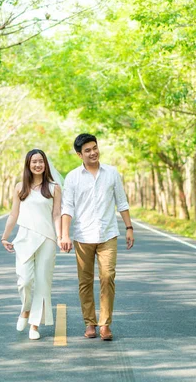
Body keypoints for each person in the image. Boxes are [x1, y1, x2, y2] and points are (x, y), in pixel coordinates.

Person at [60, 134, 134, 341]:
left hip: (108, 233)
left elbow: (122, 201)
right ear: (79, 154)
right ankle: (90, 322)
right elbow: (67, 208)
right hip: (83, 236)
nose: (93, 153)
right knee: (85, 281)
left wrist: (129, 227)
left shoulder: (111, 173)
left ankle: (105, 324)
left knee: (108, 277)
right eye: (87, 150)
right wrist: (65, 234)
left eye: (94, 148)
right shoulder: (73, 177)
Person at [0, 149, 62, 340]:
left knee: (43, 283)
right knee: (24, 280)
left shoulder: (53, 188)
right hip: (24, 238)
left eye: (41, 161)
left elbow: (57, 215)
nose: (37, 165)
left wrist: (61, 237)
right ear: (28, 164)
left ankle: (34, 325)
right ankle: (25, 309)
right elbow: (13, 214)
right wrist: (5, 236)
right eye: (34, 161)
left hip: (47, 239)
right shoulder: (20, 187)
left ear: (46, 164)